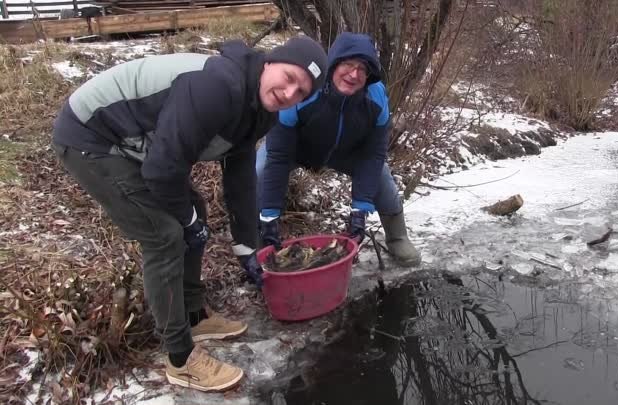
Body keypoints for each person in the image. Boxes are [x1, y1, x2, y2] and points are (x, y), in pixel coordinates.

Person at [50, 36, 327, 392]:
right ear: (271, 62)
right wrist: (188, 223)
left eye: (301, 92)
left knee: (193, 210)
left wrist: (247, 248)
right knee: (164, 234)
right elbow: (162, 170)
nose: (290, 92)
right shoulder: (217, 86)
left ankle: (194, 314)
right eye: (289, 77)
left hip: (132, 143)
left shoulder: (260, 111)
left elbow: (240, 177)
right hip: (91, 134)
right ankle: (180, 357)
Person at [249, 32, 420, 279]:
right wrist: (270, 213)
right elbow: (277, 154)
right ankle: (259, 239)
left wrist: (360, 211)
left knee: (382, 178)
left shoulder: (377, 97)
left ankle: (397, 237)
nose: (354, 74)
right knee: (260, 169)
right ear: (334, 63)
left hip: (347, 152)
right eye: (348, 64)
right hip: (298, 149)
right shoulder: (306, 89)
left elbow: (373, 155)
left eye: (362, 69)